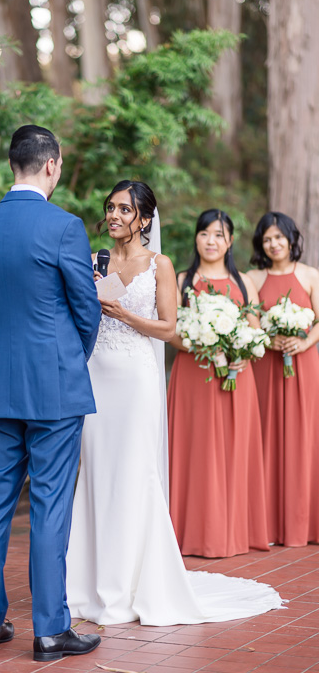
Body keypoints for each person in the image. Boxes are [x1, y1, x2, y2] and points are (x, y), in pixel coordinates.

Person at [66, 189, 282, 626]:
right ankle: (88, 583)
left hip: (138, 379)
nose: (114, 215)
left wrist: (125, 316)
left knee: (134, 471)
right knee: (96, 472)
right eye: (110, 207)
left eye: (124, 209)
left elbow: (167, 328)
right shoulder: (96, 258)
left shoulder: (160, 265)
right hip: (97, 376)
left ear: (144, 220)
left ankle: (135, 583)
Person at [0, 125, 103, 662]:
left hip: (0, 382)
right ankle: (48, 630)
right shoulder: (65, 227)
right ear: (51, 165)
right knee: (49, 505)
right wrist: (69, 356)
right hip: (55, 386)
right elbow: (86, 311)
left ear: (12, 165)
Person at [168, 209, 269, 558]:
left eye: (219, 235)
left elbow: (257, 331)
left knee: (233, 449)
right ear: (196, 238)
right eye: (205, 234)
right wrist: (202, 343)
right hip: (194, 375)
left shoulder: (245, 282)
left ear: (230, 242)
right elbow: (170, 332)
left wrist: (245, 351)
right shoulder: (182, 279)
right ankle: (191, 532)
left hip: (237, 377)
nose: (211, 241)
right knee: (195, 449)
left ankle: (233, 531)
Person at [247, 212, 319, 546]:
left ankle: (302, 524)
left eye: (279, 237)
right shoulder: (254, 278)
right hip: (267, 366)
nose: (274, 244)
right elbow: (249, 318)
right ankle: (269, 524)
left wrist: (304, 341)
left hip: (303, 365)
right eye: (267, 239)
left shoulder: (309, 275)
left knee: (304, 437)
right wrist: (267, 338)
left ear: (291, 238)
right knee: (267, 434)